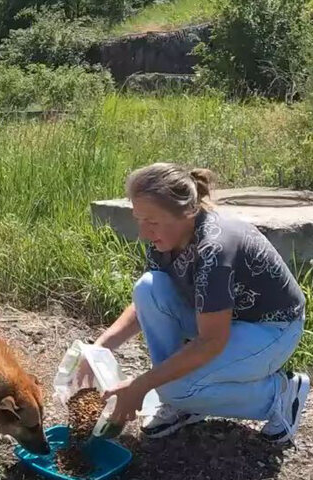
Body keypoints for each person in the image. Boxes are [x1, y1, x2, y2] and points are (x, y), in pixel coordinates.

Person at [91, 162, 309, 442]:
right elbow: (146, 306)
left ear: (187, 213)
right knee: (148, 287)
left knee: (172, 387)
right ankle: (183, 401)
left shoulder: (214, 250)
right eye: (139, 220)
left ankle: (279, 395)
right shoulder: (166, 239)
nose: (143, 232)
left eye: (152, 222)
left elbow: (211, 342)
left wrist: (141, 385)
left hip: (272, 329)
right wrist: (99, 349)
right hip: (221, 321)